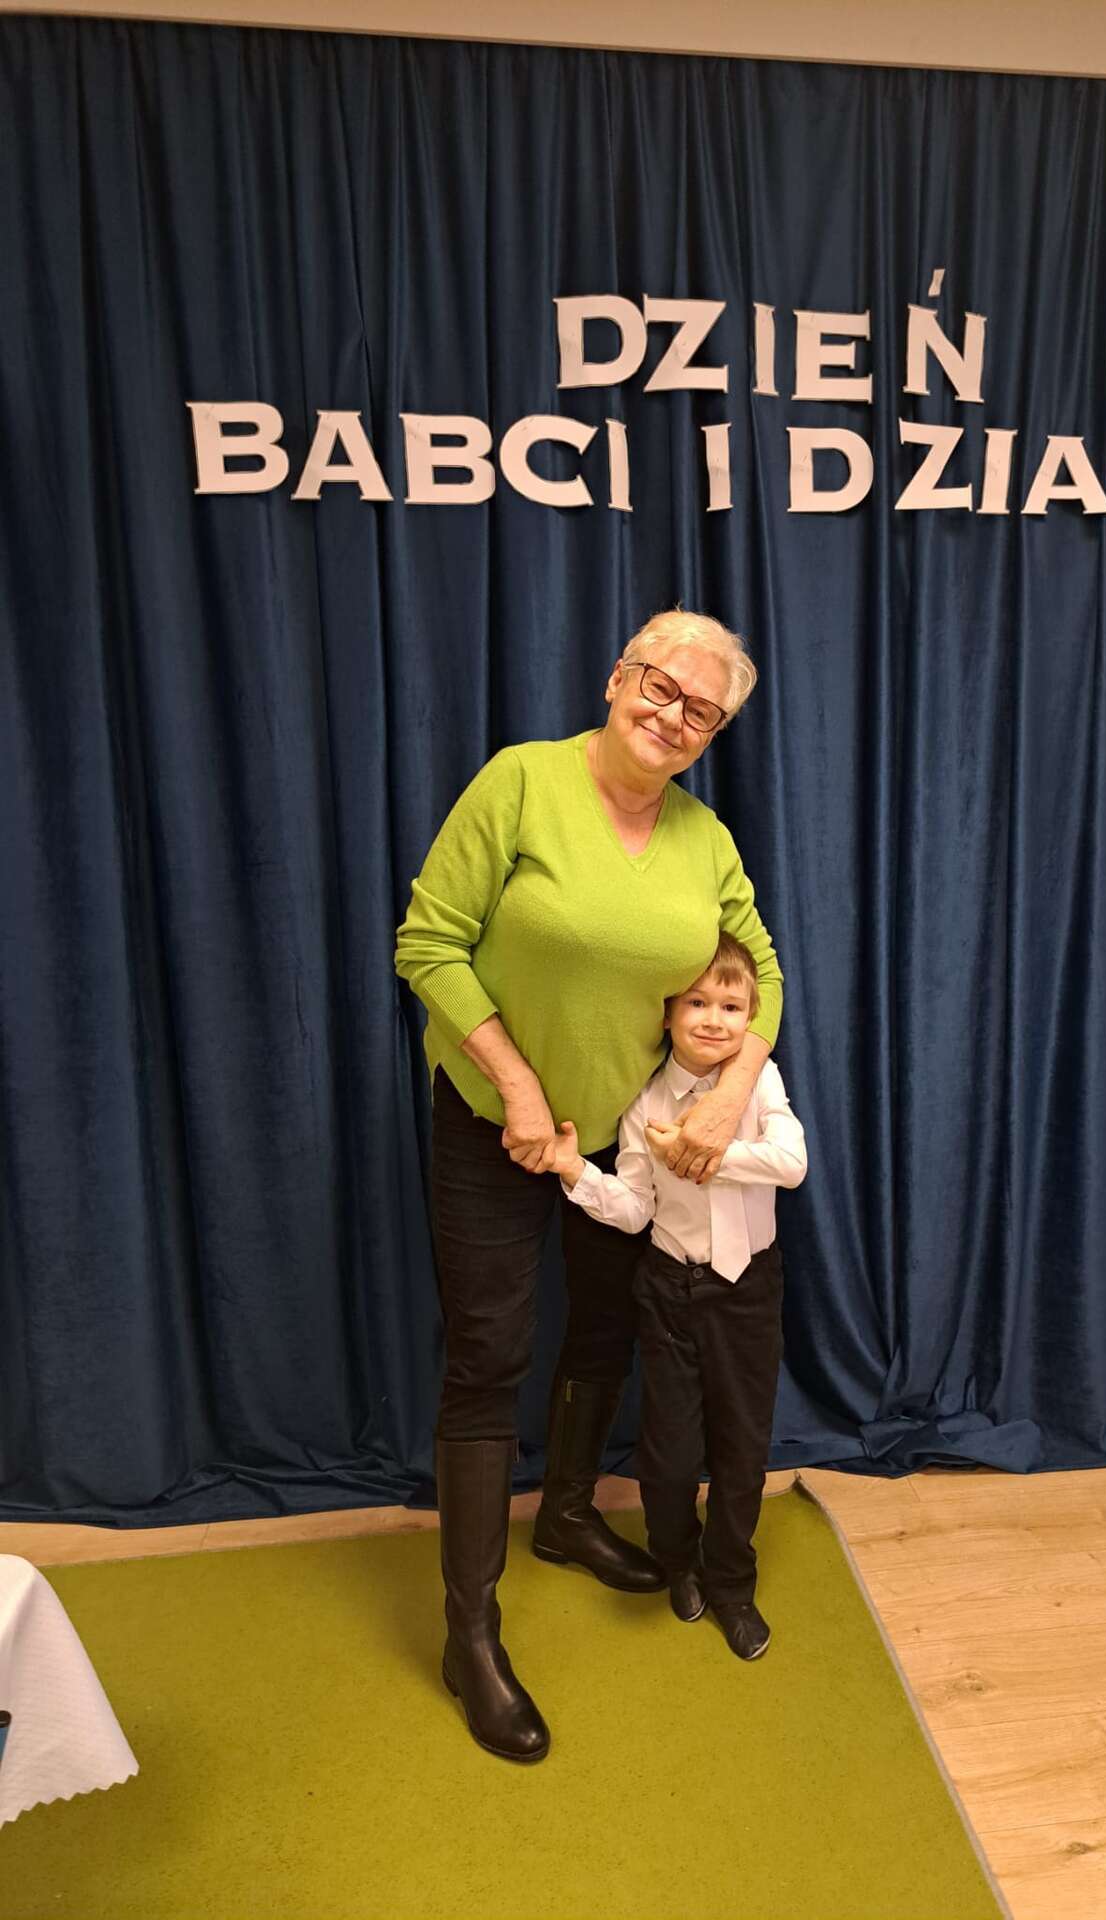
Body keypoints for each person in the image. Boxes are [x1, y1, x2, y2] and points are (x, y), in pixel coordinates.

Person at [394, 610, 782, 1762]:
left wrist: (728, 1093)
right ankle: (471, 1634)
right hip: (494, 1128)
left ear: (714, 733)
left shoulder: (704, 839)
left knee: (605, 1335)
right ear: (619, 678)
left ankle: (565, 1517)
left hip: (625, 1143)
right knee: (489, 1355)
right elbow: (428, 943)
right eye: (660, 687)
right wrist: (515, 1085)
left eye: (701, 710)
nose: (673, 716)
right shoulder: (521, 782)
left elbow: (762, 973)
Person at [552, 934, 807, 1661]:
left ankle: (732, 1585)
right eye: (697, 1002)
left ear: (751, 1017)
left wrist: (703, 1154)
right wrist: (576, 1174)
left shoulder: (759, 1083)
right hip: (669, 1289)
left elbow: (791, 1164)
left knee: (741, 1453)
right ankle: (678, 1562)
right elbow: (635, 1209)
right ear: (666, 1012)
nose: (714, 1020)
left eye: (731, 1006)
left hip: (748, 1292)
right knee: (667, 1457)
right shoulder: (645, 1101)